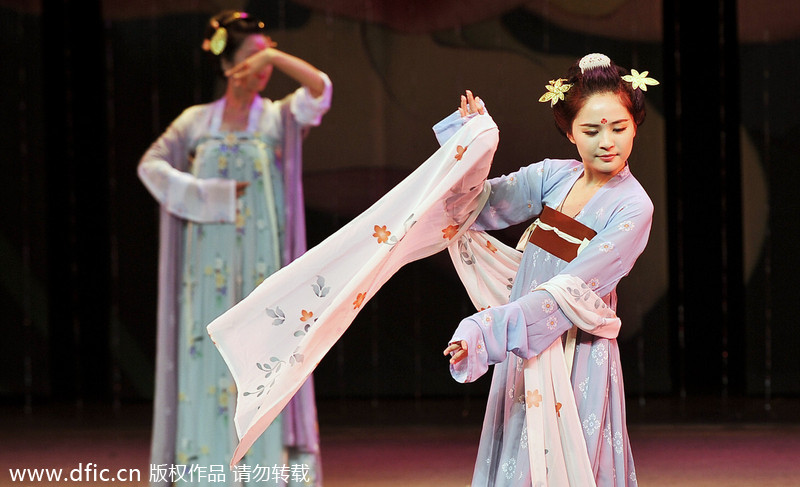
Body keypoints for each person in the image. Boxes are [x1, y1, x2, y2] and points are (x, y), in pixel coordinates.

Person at [443, 53, 656, 486]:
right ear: (570, 132)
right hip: (523, 338)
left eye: (618, 128)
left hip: (575, 349)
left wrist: (489, 329)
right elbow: (472, 206)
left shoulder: (634, 206)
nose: (607, 141)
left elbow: (569, 290)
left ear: (635, 125)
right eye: (591, 130)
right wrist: (469, 146)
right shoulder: (554, 177)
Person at [138, 10, 332, 487]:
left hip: (263, 266)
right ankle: (205, 475)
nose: (261, 67)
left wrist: (274, 57)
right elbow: (151, 166)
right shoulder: (196, 122)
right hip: (205, 266)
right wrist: (210, 195)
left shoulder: (277, 117)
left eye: (266, 58)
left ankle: (263, 474)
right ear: (228, 64)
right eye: (251, 57)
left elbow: (319, 90)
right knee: (206, 354)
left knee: (262, 361)